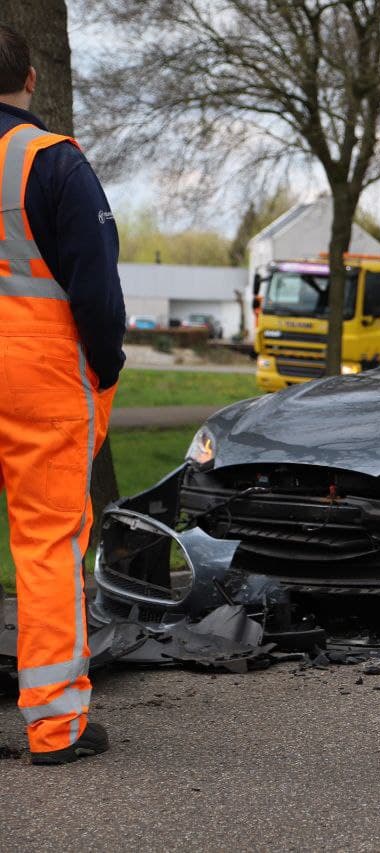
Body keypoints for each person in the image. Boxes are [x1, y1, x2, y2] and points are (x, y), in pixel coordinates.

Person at [0, 26, 125, 765]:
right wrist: (104, 368)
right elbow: (96, 293)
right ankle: (55, 726)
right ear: (33, 78)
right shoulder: (53, 164)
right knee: (47, 545)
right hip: (39, 376)